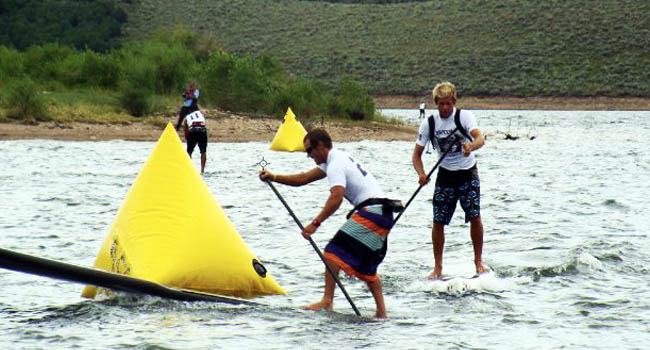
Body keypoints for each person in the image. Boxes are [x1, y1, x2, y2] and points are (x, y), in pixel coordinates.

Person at [259, 128, 402, 318]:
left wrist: (315, 223)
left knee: (332, 252)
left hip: (373, 212)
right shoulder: (335, 158)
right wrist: (274, 177)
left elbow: (336, 198)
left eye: (309, 150)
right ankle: (381, 314)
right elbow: (304, 178)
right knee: (366, 265)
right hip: (383, 214)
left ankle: (327, 301)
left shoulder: (335, 164)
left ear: (320, 146)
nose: (308, 156)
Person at [411, 82, 488, 280]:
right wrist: (421, 174)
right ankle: (437, 268)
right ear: (436, 103)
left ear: (453, 101)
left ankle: (478, 262)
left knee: (474, 216)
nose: (445, 108)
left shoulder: (464, 116)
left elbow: (480, 138)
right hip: (444, 175)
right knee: (438, 221)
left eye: (448, 104)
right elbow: (416, 156)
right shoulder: (429, 123)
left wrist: (471, 146)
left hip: (467, 172)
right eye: (441, 104)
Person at [182, 104, 208, 175]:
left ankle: (189, 170)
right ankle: (202, 171)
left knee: (189, 152)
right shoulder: (201, 113)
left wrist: (187, 137)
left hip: (192, 130)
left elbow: (186, 130)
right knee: (203, 152)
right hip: (202, 130)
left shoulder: (187, 117)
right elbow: (204, 112)